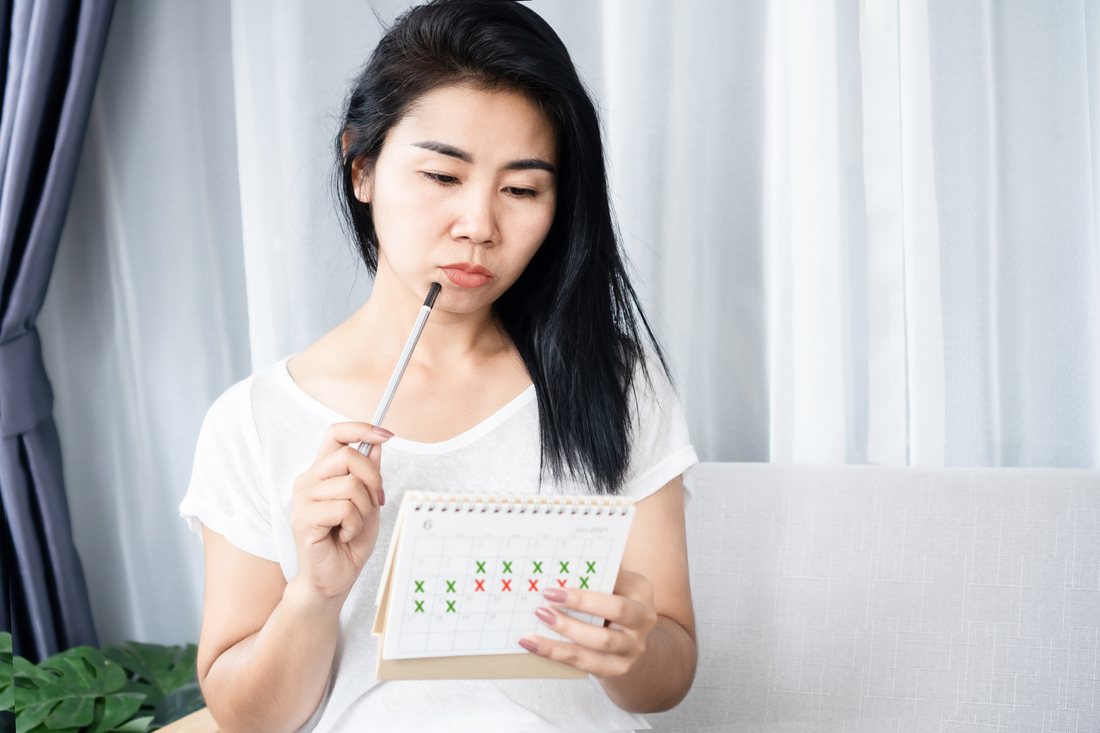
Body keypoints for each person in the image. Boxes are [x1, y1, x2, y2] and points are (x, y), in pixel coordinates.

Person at [179, 1, 698, 731]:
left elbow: (668, 676)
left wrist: (633, 646)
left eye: (521, 189)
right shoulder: (254, 422)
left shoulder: (615, 380)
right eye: (441, 176)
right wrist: (315, 593)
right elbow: (249, 718)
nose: (479, 225)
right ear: (361, 168)